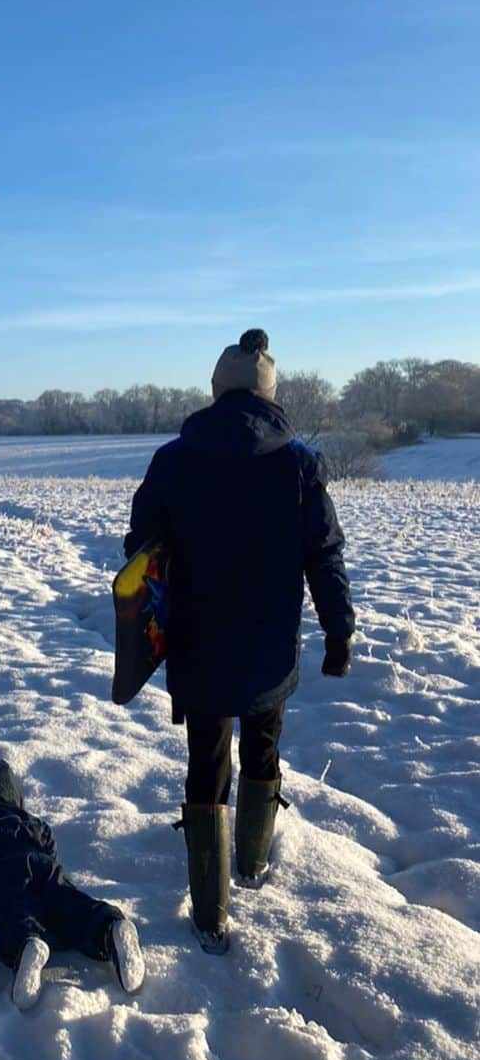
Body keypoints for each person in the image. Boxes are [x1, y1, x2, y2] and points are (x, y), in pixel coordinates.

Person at [125, 329, 355, 954]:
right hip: (269, 646)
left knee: (207, 763)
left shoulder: (173, 460)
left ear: (217, 390)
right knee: (263, 747)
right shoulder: (300, 464)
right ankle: (251, 865)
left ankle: (211, 913)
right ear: (269, 395)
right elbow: (325, 556)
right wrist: (338, 629)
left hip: (199, 644)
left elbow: (138, 551)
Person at [0, 759, 145, 1009]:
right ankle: (109, 927)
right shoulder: (30, 820)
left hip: (2, 870)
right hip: (44, 865)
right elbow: (50, 845)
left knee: (12, 910)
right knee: (66, 901)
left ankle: (26, 945)